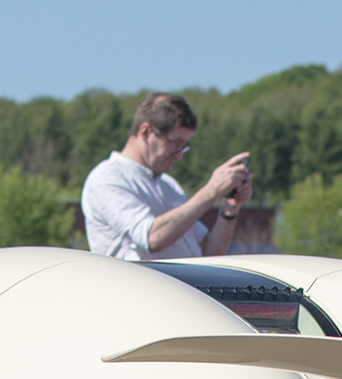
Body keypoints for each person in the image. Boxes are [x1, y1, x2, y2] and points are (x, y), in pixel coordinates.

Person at [82, 93, 252, 261]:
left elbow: (209, 255)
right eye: (176, 144)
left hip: (181, 288)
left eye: (183, 147)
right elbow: (152, 238)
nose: (179, 155)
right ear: (146, 132)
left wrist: (229, 209)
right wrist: (210, 192)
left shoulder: (169, 185)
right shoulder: (107, 178)